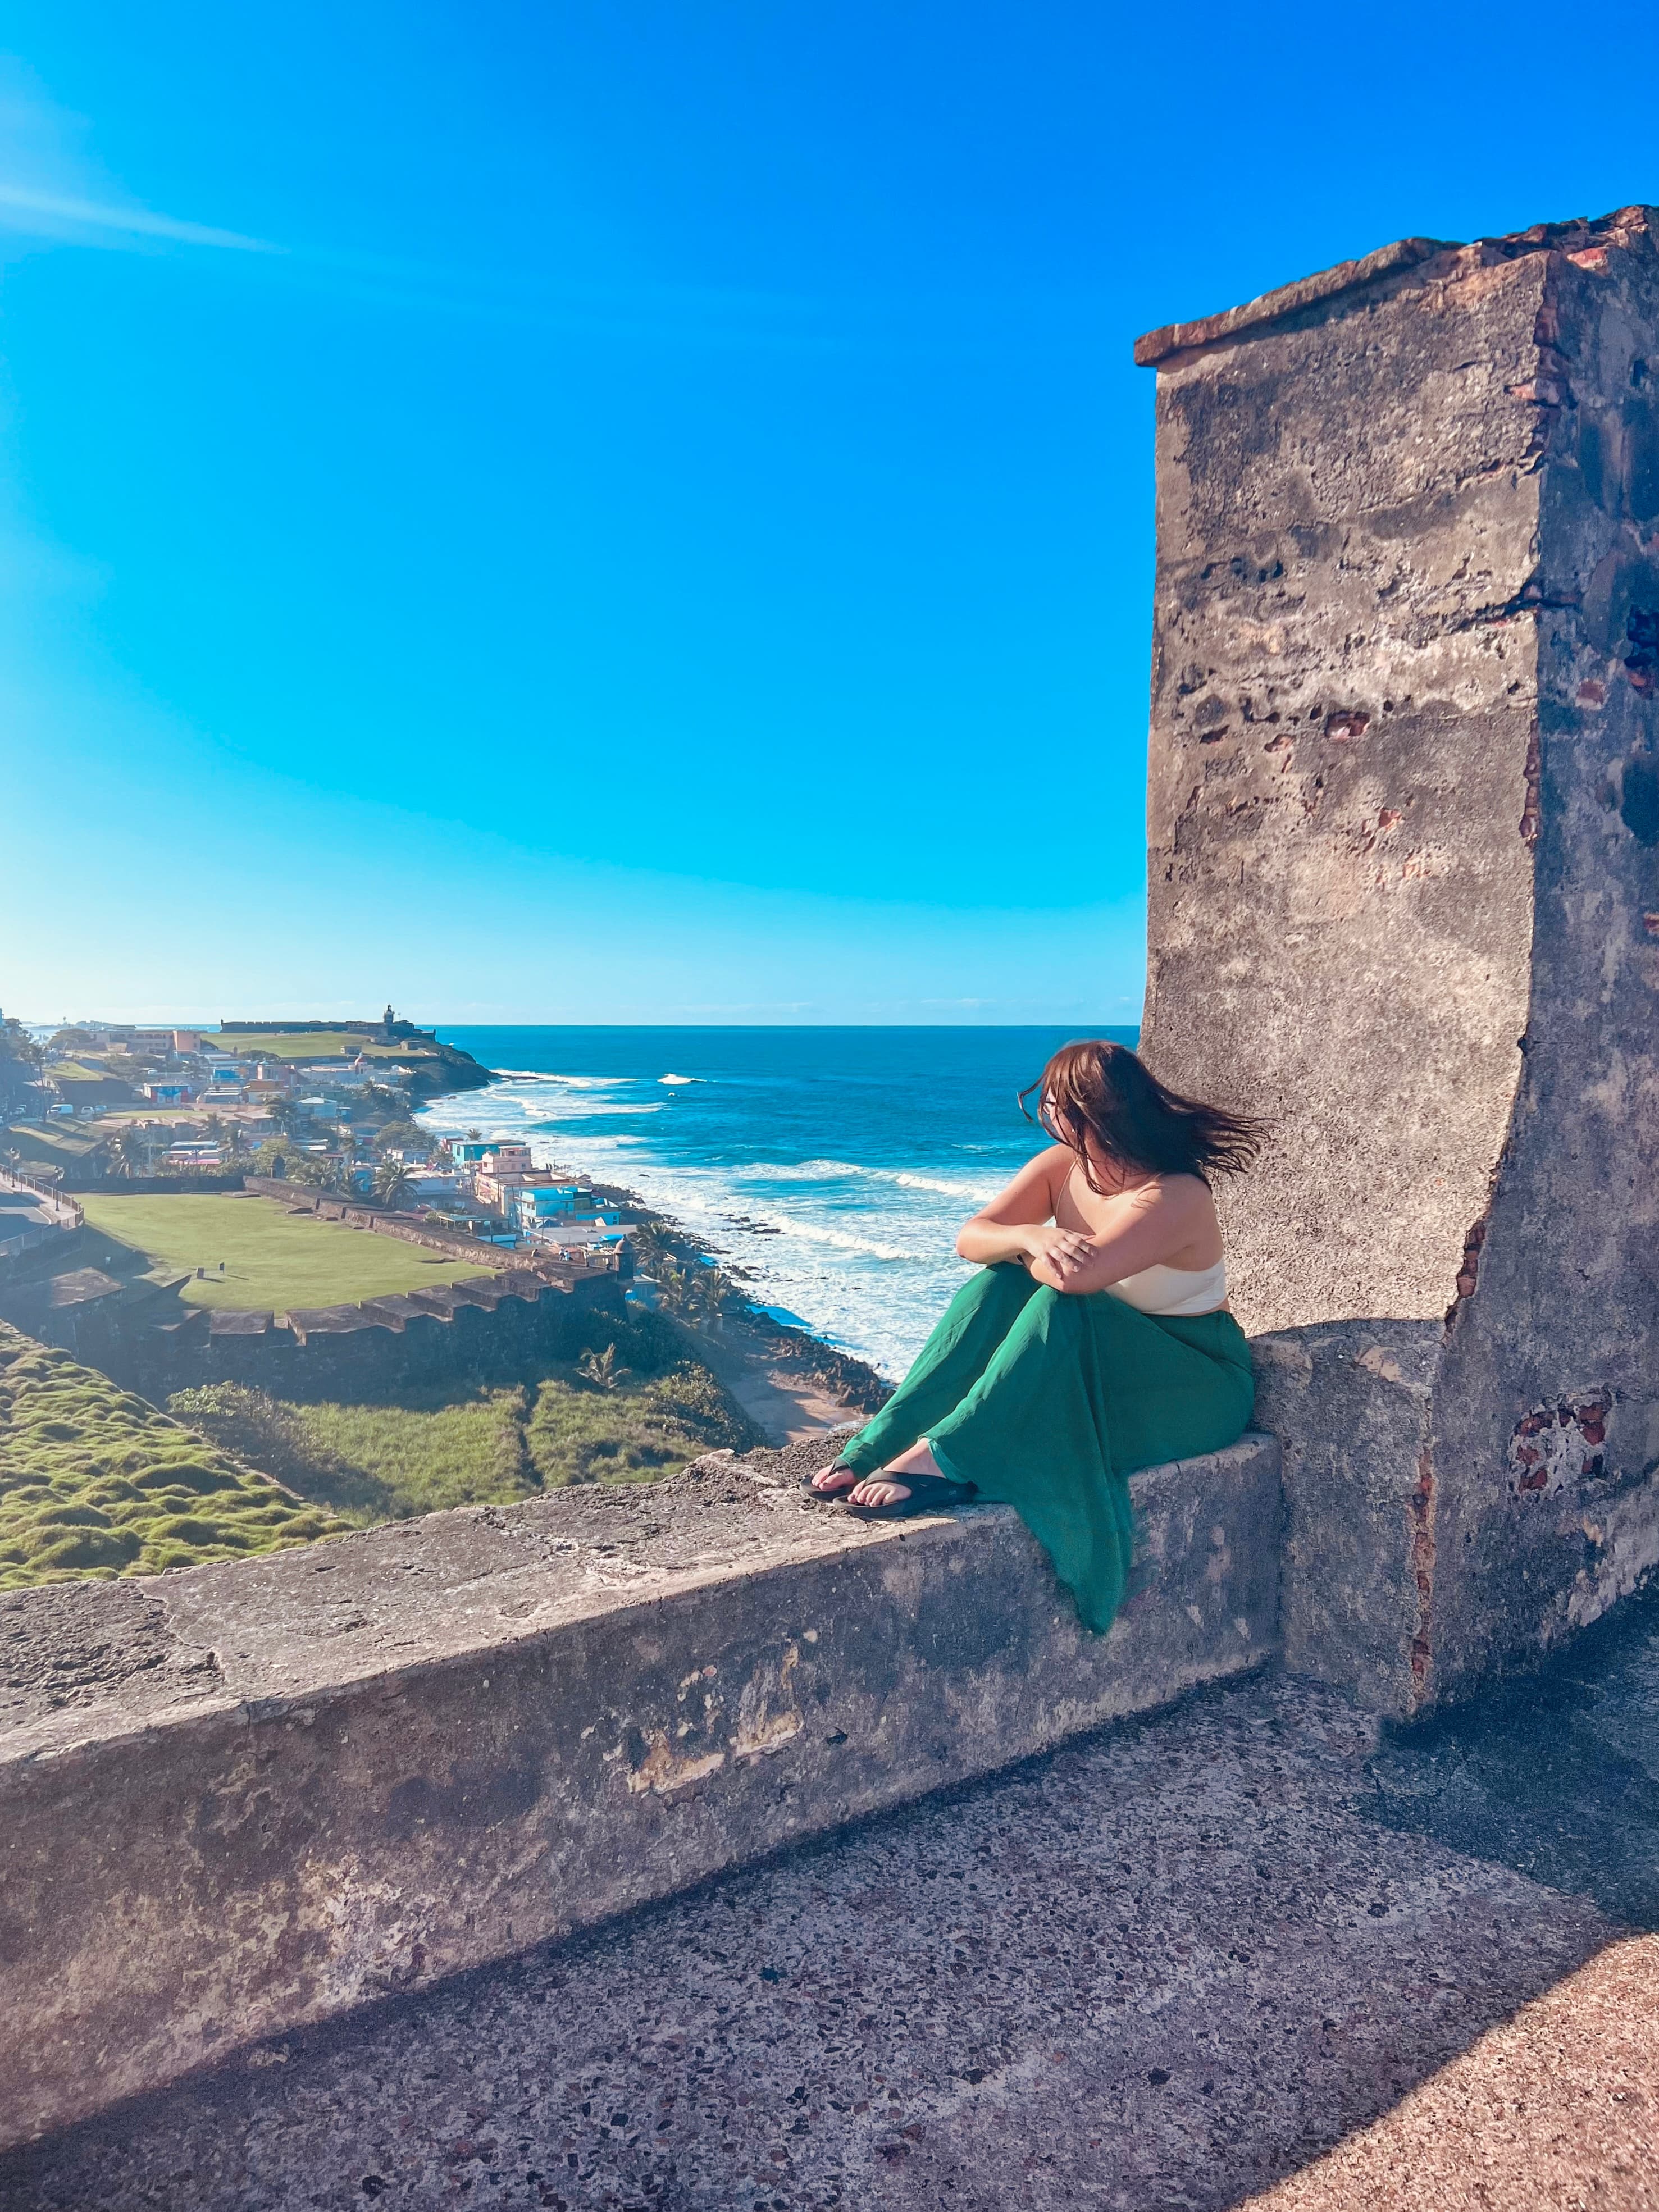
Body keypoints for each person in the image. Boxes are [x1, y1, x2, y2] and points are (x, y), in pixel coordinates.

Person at [806, 1039, 1264, 1634]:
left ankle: (945, 1458)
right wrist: (1032, 1237)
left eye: (1055, 1106)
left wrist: (1036, 1245)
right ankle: (877, 1445)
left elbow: (1078, 1278)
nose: (1048, 1118)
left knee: (1054, 1299)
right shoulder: (1062, 1168)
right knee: (995, 1286)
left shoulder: (1174, 1193)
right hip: (1100, 1365)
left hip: (1191, 1379)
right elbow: (971, 1238)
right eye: (1045, 1106)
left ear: (1097, 1112)